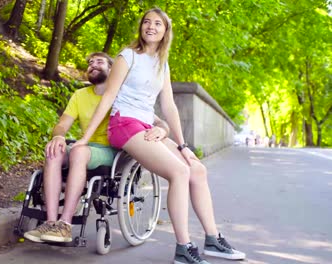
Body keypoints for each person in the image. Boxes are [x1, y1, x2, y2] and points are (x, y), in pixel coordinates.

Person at [73, 8, 246, 264]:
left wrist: (183, 144)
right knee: (179, 172)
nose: (151, 27)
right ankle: (184, 248)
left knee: (196, 169)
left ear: (166, 31)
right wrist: (85, 138)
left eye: (157, 24)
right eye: (147, 22)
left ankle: (212, 239)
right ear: (141, 27)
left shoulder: (162, 64)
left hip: (145, 127)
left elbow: (169, 106)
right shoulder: (127, 56)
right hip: (123, 124)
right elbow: (108, 98)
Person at [24, 52, 170, 243]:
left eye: (99, 62)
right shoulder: (80, 95)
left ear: (112, 69)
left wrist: (163, 130)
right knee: (54, 151)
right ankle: (51, 223)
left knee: (78, 151)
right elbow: (62, 124)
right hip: (84, 146)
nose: (93, 65)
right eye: (90, 62)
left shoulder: (123, 95)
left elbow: (159, 122)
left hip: (112, 151)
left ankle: (65, 225)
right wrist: (59, 136)